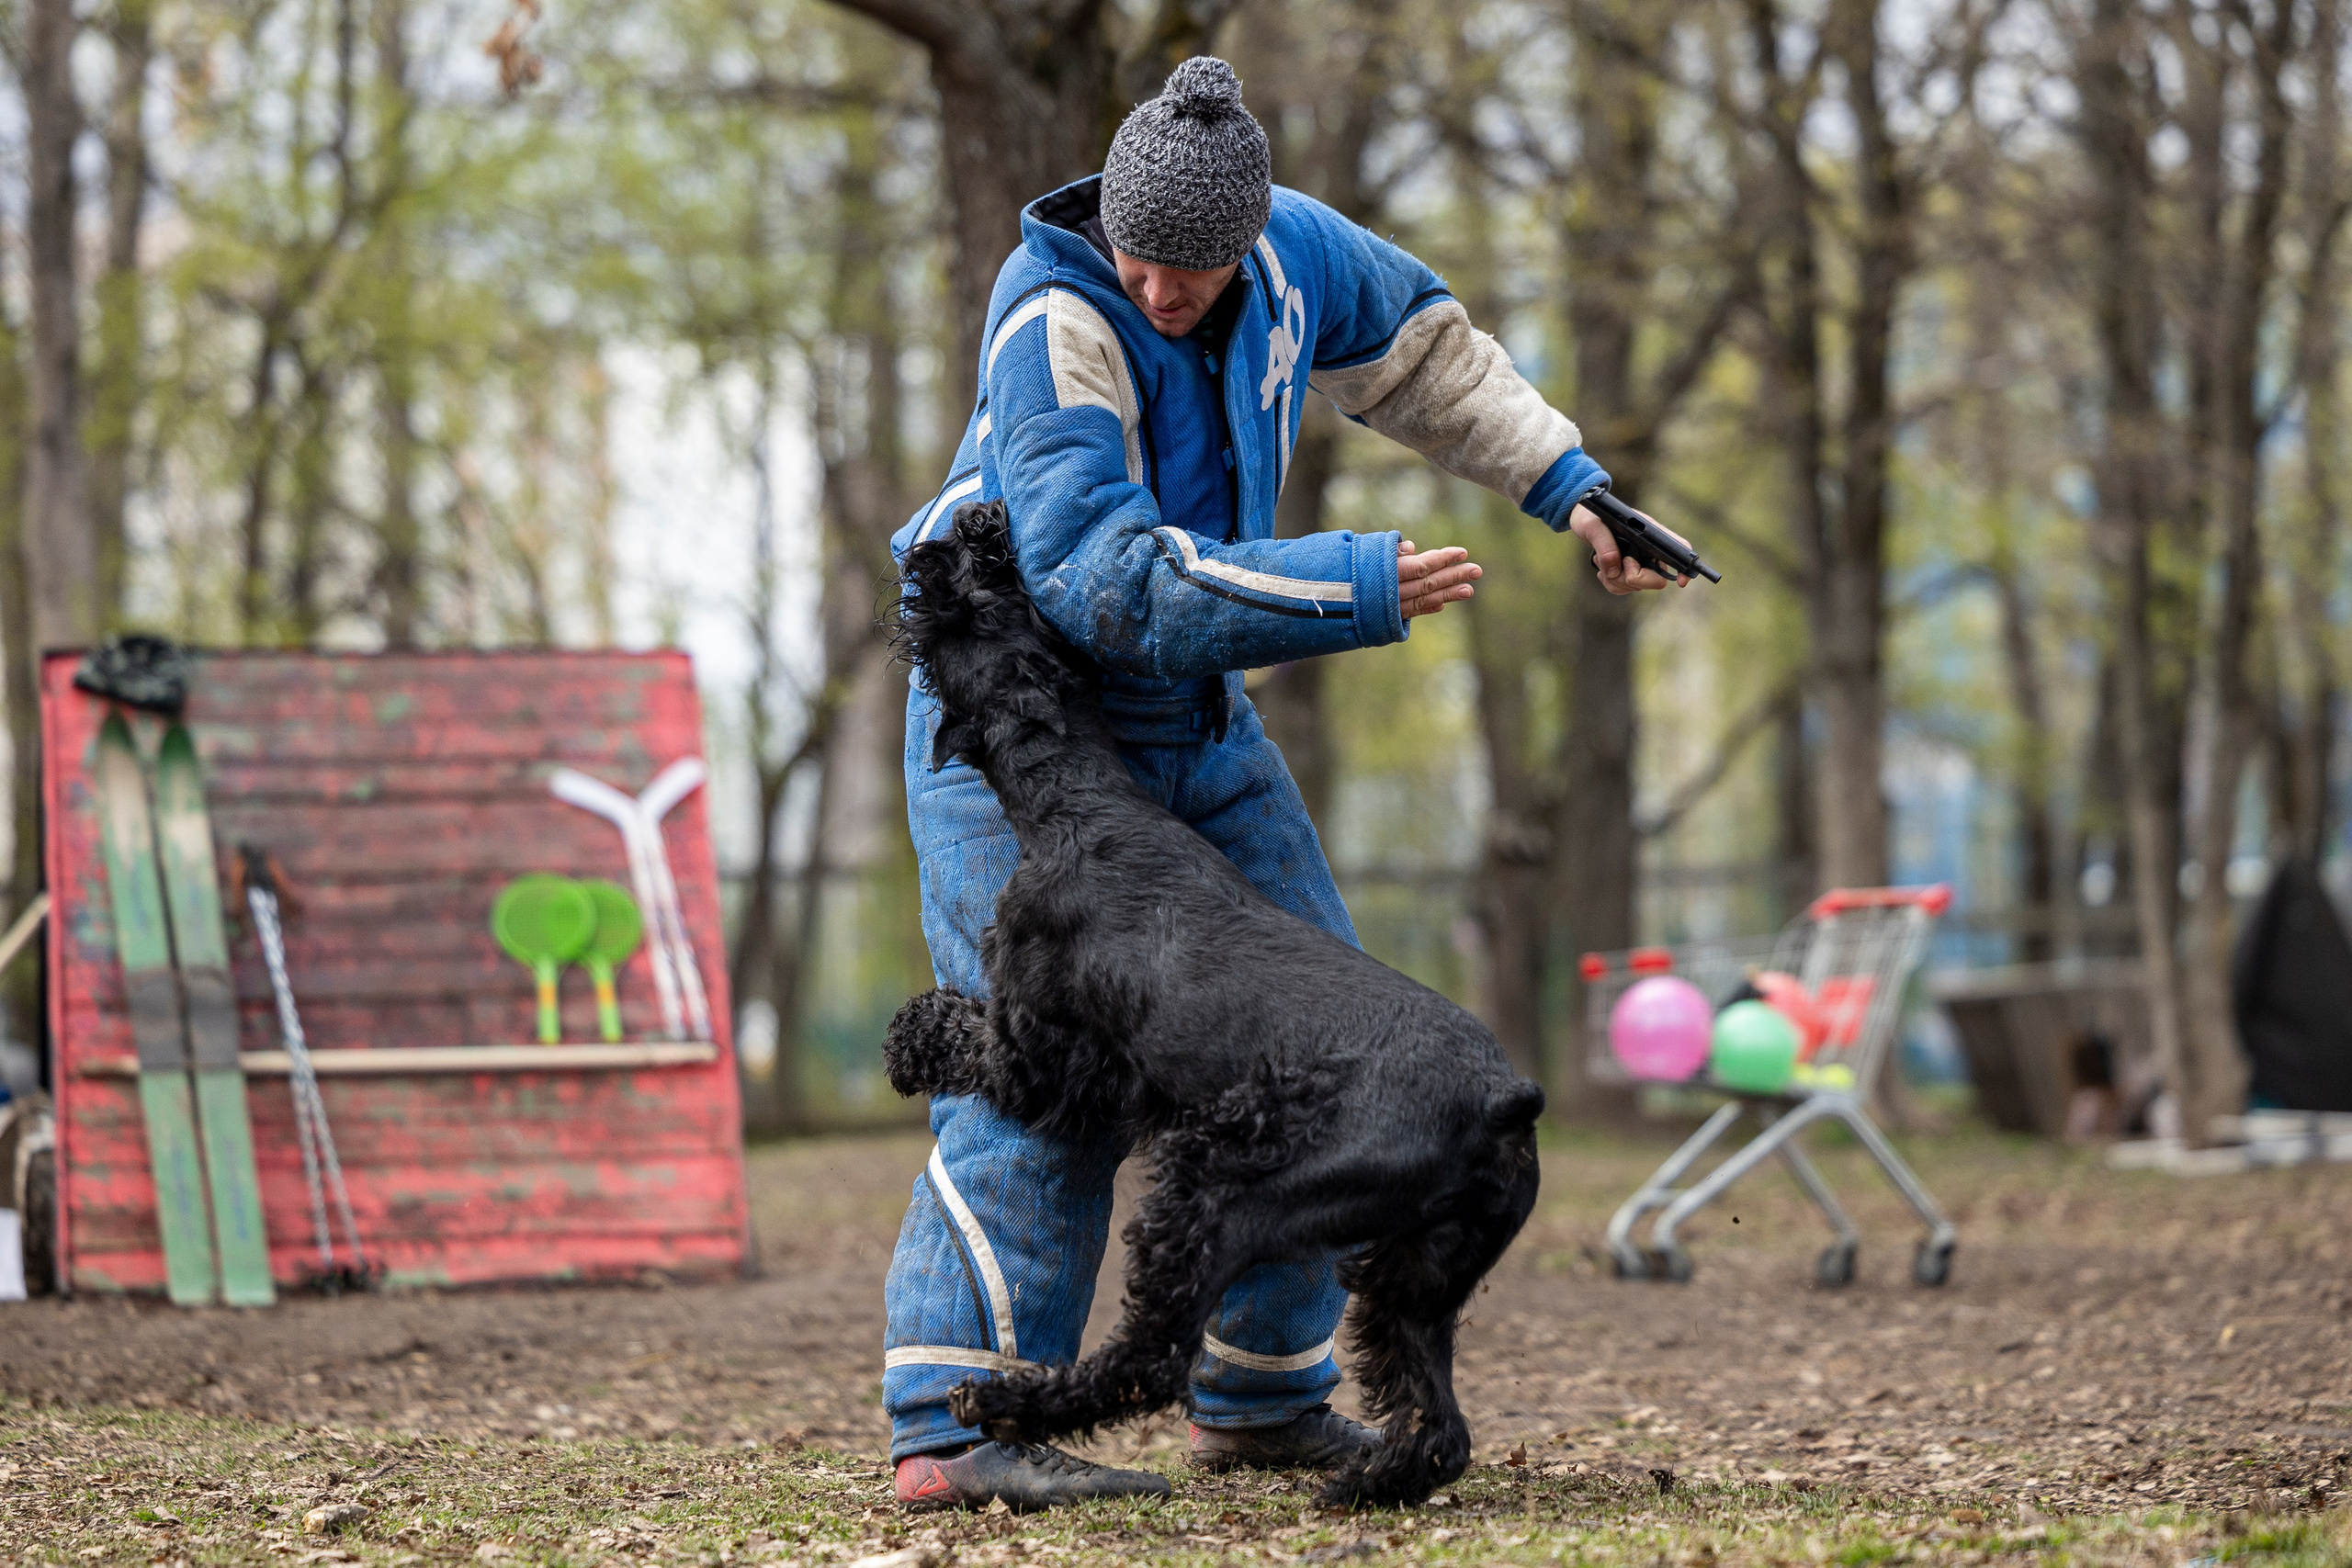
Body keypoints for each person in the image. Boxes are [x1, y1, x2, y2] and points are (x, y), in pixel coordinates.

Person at [883, 55, 1679, 1513]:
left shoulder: (1298, 252)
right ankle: (955, 1423)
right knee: (1044, 1066)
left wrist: (1575, 489)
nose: (1158, 289)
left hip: (1197, 708)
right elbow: (1105, 580)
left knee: (1322, 1054)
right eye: (1138, 259)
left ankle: (1260, 1400)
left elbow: (1431, 361)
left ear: (1249, 238)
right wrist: (1348, 583)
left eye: (1189, 270)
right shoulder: (1055, 319)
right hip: (1027, 719)